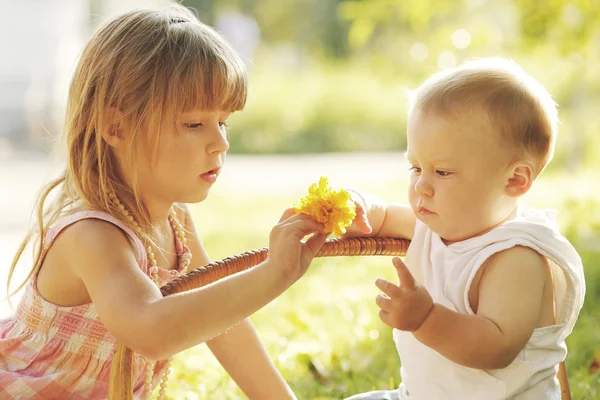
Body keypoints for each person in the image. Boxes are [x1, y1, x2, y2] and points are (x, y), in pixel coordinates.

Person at [0, 5, 328, 399]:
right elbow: (151, 331)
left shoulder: (175, 220)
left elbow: (228, 330)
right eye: (194, 124)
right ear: (117, 127)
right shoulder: (91, 236)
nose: (221, 142)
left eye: (222, 122)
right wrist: (273, 273)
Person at [344, 58, 585, 399]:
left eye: (441, 172)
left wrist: (426, 319)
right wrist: (359, 208)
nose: (422, 187)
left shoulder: (516, 258)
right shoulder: (437, 222)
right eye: (415, 168)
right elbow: (380, 218)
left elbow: (496, 348)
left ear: (515, 179)